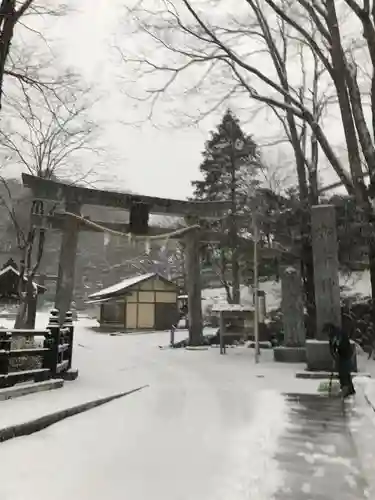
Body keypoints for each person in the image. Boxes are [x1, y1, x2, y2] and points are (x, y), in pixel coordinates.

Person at [323, 322, 355, 398]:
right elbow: (331, 347)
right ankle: (350, 389)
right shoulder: (332, 335)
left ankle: (346, 389)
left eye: (327, 331)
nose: (327, 334)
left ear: (330, 329)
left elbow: (342, 344)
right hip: (340, 355)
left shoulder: (339, 333)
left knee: (344, 372)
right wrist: (334, 355)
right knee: (343, 372)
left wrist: (338, 346)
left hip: (345, 354)